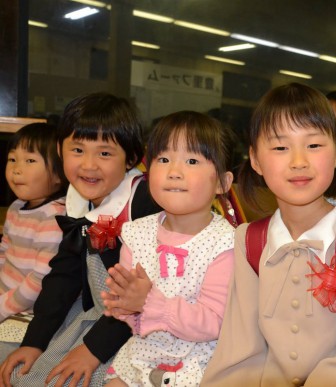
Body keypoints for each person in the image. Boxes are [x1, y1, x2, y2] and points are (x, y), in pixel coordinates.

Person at [201, 83, 336, 386]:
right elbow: (240, 351)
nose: (298, 161)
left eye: (314, 145)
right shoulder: (249, 240)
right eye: (280, 147)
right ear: (256, 160)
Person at [0, 92, 161, 387]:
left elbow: (146, 293)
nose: (88, 165)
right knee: (17, 370)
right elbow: (64, 274)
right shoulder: (77, 201)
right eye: (77, 150)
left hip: (140, 325)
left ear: (132, 158)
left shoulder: (145, 203)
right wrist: (34, 342)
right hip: (93, 313)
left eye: (104, 153)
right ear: (60, 151)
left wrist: (92, 351)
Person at [100, 111, 236, 386]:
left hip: (199, 361)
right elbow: (130, 306)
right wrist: (123, 306)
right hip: (142, 353)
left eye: (192, 160)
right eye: (163, 159)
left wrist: (147, 302)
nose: (174, 172)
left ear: (222, 182)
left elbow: (214, 323)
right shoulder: (137, 232)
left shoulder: (226, 242)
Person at [0, 123, 67, 339]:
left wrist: (3, 307)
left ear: (59, 174)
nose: (16, 169)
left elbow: (39, 280)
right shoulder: (17, 207)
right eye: (12, 159)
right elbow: (4, 253)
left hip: (27, 311)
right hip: (7, 299)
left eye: (30, 161)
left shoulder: (53, 216)